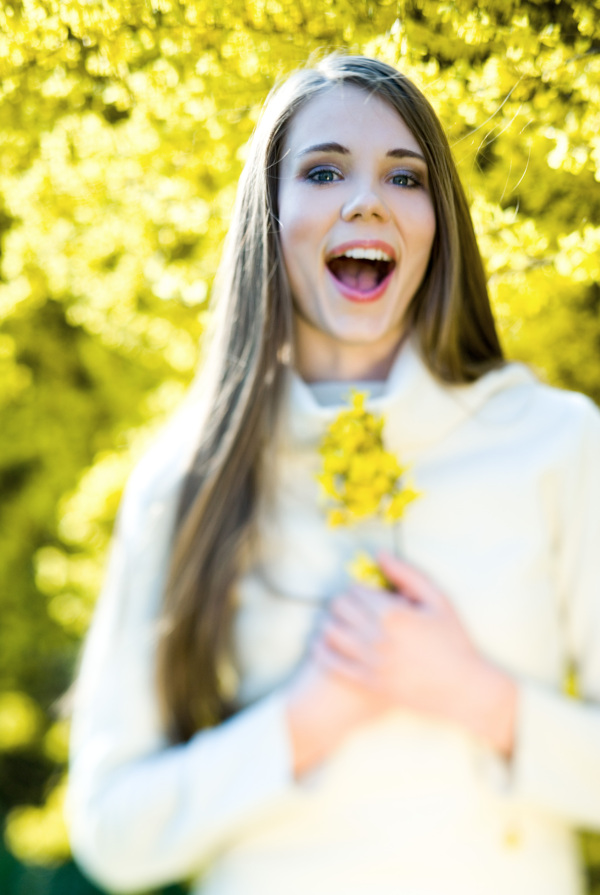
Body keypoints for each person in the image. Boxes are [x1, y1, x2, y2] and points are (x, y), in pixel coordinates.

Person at [67, 54, 600, 895]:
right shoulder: (185, 480)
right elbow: (111, 827)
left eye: (405, 175)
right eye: (322, 170)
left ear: (438, 222)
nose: (366, 199)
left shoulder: (557, 442)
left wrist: (484, 699)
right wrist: (301, 722)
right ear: (268, 215)